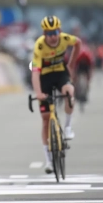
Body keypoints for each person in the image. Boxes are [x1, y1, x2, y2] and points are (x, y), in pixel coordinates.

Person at [31, 15, 81, 174]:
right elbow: (35, 72)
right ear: (44, 34)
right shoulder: (39, 46)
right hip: (44, 76)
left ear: (59, 31)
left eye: (55, 33)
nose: (53, 37)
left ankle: (67, 127)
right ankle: (48, 160)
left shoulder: (65, 39)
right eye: (49, 33)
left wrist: (71, 63)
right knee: (46, 118)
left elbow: (78, 43)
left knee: (69, 92)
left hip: (60, 73)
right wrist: (38, 93)